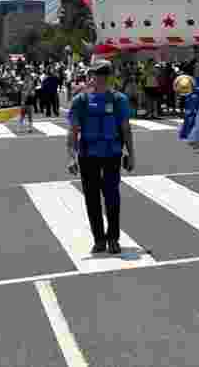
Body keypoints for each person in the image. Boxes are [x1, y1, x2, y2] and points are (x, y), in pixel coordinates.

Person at [67, 60, 134, 255]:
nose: (100, 77)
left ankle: (113, 238)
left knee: (112, 196)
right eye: (97, 74)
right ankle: (99, 239)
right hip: (88, 155)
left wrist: (130, 154)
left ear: (109, 75)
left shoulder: (119, 99)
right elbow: (72, 130)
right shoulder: (81, 100)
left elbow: (126, 129)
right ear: (91, 76)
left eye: (104, 73)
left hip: (112, 153)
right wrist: (71, 157)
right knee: (92, 198)